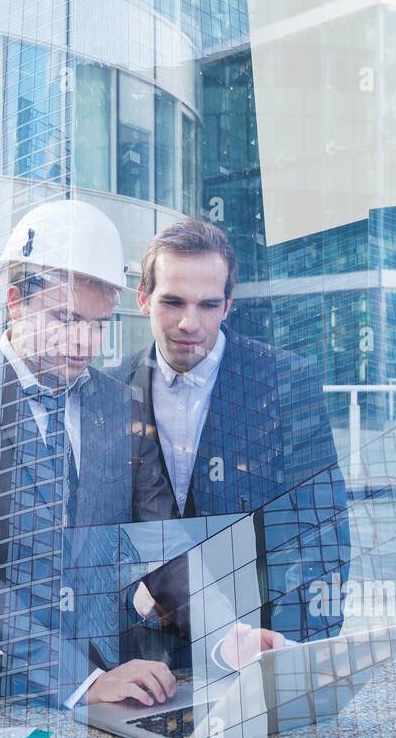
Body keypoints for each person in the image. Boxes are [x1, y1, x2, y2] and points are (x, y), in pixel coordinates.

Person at [0, 200, 283, 715]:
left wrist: (226, 634)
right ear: (16, 301)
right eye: (66, 318)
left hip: (111, 685)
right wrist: (80, 681)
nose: (84, 341)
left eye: (100, 323)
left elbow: (162, 542)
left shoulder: (118, 404)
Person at [114, 217, 349, 644]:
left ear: (227, 304)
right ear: (143, 298)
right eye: (173, 302)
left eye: (207, 305)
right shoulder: (113, 390)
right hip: (144, 651)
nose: (190, 323)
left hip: (258, 639)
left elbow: (321, 526)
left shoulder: (285, 382)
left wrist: (296, 653)